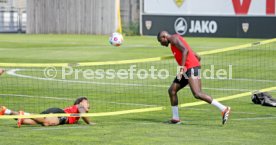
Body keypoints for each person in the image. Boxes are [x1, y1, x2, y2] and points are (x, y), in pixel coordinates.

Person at [157, 31, 231, 125]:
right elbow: (188, 49)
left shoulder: (174, 39)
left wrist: (181, 69)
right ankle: (175, 119)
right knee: (172, 90)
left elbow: (185, 50)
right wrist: (196, 56)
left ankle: (224, 108)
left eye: (160, 41)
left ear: (164, 37)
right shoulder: (173, 42)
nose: (161, 44)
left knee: (197, 94)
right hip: (188, 68)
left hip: (190, 67)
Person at [0, 97, 95, 127]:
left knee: (29, 121)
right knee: (47, 122)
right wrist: (89, 122)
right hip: (60, 114)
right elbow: (83, 113)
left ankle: (6, 111)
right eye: (87, 102)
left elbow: (79, 114)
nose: (88, 104)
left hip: (55, 112)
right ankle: (24, 113)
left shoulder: (75, 111)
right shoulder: (79, 106)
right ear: (81, 102)